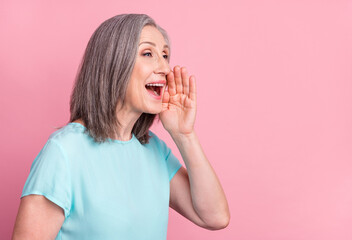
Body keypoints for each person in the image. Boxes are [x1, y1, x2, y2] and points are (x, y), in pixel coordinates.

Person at [12, 13, 230, 240]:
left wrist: (184, 134)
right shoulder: (65, 152)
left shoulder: (155, 151)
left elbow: (214, 217)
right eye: (148, 53)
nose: (165, 68)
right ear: (113, 63)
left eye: (165, 55)